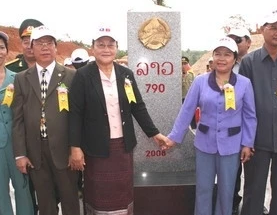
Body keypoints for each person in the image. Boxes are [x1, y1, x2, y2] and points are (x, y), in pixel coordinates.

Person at [68, 26, 167, 215]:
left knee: (121, 196)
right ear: (93, 48)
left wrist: (154, 133)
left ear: (116, 48)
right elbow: (75, 113)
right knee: (99, 197)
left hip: (122, 147)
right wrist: (75, 147)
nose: (106, 49)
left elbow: (137, 106)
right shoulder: (83, 76)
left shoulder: (125, 74)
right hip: (96, 149)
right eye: (101, 45)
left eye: (110, 45)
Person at [165, 37, 257, 215]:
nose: (222, 59)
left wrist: (247, 143)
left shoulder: (245, 83)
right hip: (204, 144)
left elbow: (250, 116)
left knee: (226, 190)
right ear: (213, 57)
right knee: (203, 189)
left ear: (235, 58)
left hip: (231, 145)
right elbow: (187, 111)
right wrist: (174, 137)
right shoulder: (200, 81)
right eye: (218, 54)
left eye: (227, 54)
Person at [11, 25, 80, 215]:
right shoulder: (21, 78)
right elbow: (17, 119)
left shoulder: (71, 76)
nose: (45, 47)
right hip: (35, 153)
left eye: (49, 43)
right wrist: (20, 154)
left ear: (56, 47)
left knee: (70, 201)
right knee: (45, 204)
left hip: (64, 151)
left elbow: (78, 117)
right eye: (40, 43)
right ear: (31, 48)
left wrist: (77, 148)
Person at [239, 10, 277, 215]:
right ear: (262, 30)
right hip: (257, 138)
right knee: (253, 191)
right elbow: (243, 104)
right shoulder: (249, 62)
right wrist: (245, 139)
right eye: (273, 27)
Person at [5, 18, 43, 215]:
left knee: (50, 193)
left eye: (34, 39)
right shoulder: (11, 70)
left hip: (47, 143)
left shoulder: (54, 70)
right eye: (25, 40)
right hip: (20, 144)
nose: (30, 44)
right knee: (25, 193)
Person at [0, 31, 34, 215]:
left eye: (1, 47)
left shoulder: (17, 78)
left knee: (23, 189)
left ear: (6, 51)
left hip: (17, 144)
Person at [227, 27, 254, 215]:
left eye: (238, 39)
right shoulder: (225, 65)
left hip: (253, 123)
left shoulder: (256, 63)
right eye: (230, 39)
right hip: (233, 127)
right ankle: (232, 203)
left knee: (254, 170)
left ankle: (254, 203)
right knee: (233, 171)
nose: (234, 43)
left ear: (248, 42)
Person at [182, 56, 197, 129]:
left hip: (189, 98)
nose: (183, 65)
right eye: (181, 63)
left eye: (185, 63)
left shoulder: (191, 75)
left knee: (192, 116)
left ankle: (194, 129)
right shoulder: (176, 75)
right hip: (180, 99)